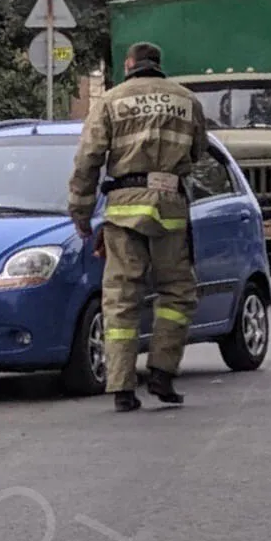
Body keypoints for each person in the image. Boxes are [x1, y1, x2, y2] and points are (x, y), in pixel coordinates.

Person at [67, 42, 208, 413]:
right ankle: (162, 371)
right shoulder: (186, 100)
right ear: (158, 64)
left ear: (129, 64)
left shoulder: (110, 101)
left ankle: (121, 387)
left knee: (121, 298)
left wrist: (81, 211)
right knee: (177, 293)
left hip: (124, 210)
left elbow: (87, 160)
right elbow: (198, 151)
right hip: (170, 208)